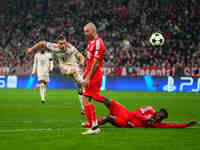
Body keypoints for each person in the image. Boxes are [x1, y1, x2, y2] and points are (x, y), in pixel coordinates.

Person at [27, 35, 85, 114]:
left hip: (74, 65)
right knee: (75, 73)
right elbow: (42, 43)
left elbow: (80, 56)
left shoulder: (71, 48)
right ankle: (86, 84)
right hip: (64, 67)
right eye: (60, 44)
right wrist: (31, 49)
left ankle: (84, 108)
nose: (62, 45)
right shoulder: (54, 47)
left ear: (66, 42)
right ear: (57, 44)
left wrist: (82, 61)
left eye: (64, 43)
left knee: (80, 87)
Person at [82, 99, 197, 128]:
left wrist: (186, 124)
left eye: (161, 118)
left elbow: (171, 126)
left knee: (108, 118)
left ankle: (91, 124)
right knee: (109, 101)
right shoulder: (149, 109)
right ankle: (90, 96)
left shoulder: (155, 124)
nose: (158, 118)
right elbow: (136, 113)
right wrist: (145, 119)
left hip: (126, 122)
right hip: (126, 113)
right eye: (159, 115)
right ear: (157, 112)